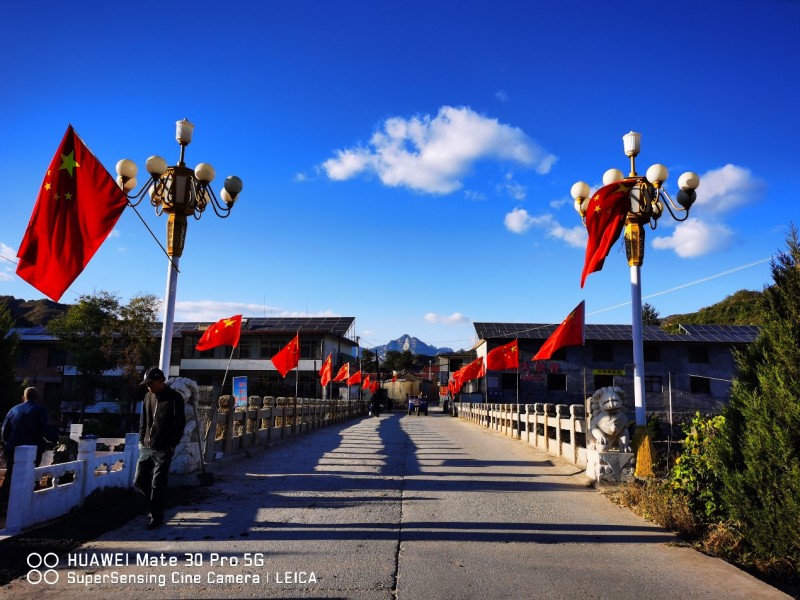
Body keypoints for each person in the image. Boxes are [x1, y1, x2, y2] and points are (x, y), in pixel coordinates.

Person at [134, 367, 185, 530]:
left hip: (164, 448)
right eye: (146, 384)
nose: (148, 387)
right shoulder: (148, 396)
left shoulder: (175, 398)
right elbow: (144, 420)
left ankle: (156, 516)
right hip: (147, 447)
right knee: (140, 480)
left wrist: (172, 444)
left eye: (151, 383)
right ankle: (159, 503)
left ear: (160, 380)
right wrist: (142, 440)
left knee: (157, 482)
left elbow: (180, 424)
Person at [1, 387, 59, 510]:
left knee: (10, 474)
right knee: (30, 475)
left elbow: (4, 430)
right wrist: (56, 438)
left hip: (13, 448)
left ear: (24, 397)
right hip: (33, 449)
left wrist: (9, 443)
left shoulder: (14, 409)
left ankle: (4, 503)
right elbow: (45, 429)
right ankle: (27, 504)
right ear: (37, 398)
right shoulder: (40, 410)